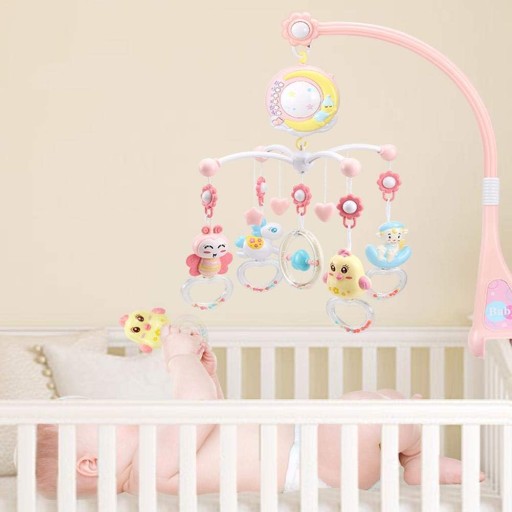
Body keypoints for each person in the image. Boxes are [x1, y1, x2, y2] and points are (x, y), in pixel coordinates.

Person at [36, 326, 482, 497]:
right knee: (363, 411)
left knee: (372, 401)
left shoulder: (159, 454)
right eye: (105, 413)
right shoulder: (147, 470)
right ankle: (416, 452)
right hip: (309, 467)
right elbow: (198, 409)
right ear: (91, 463)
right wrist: (178, 358)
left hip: (310, 448)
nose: (120, 409)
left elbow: (213, 418)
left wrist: (208, 376)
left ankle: (411, 448)